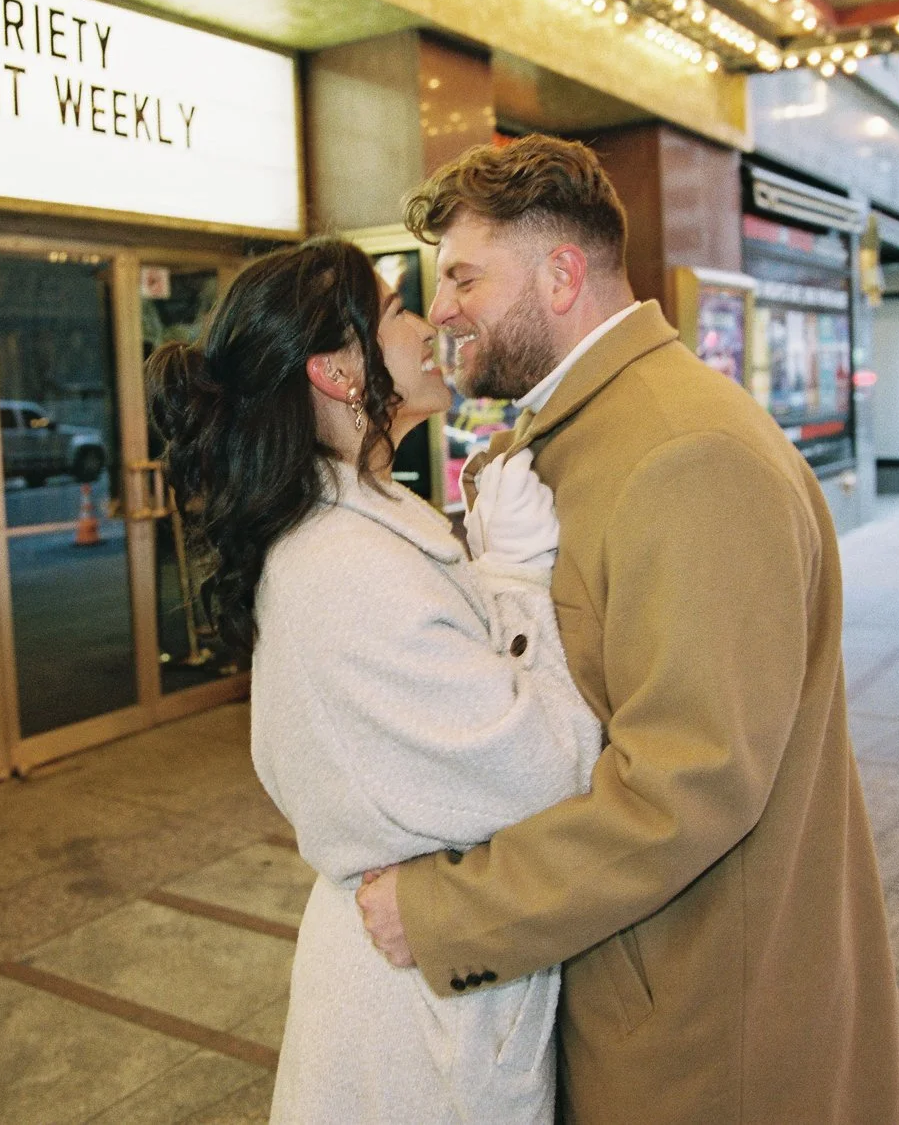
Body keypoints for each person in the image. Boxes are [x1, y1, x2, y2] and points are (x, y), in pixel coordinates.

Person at [354, 136, 899, 1124]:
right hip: (648, 992)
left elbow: (688, 785)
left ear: (563, 273)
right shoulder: (586, 431)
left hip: (708, 1037)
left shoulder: (685, 456)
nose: (442, 306)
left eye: (463, 277)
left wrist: (449, 910)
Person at [146, 238, 601, 1124]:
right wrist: (515, 579)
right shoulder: (343, 566)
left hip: (423, 979)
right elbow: (547, 769)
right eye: (397, 312)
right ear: (337, 370)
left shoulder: (371, 518)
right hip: (416, 1026)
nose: (431, 323)